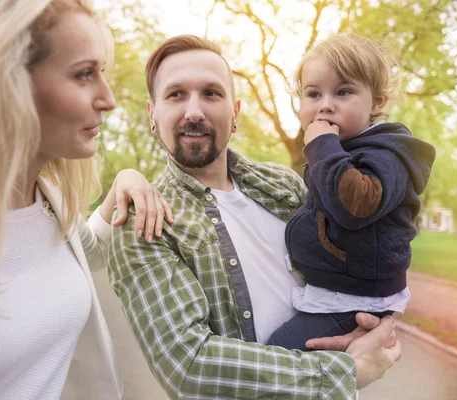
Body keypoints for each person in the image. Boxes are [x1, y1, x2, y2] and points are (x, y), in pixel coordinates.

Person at [0, 1, 172, 399]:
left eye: (104, 73)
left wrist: (125, 184)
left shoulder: (51, 201)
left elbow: (89, 252)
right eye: (84, 75)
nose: (108, 99)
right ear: (8, 82)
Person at [109, 34, 401, 399]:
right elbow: (190, 364)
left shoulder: (284, 184)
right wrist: (346, 371)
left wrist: (373, 328)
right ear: (153, 114)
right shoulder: (146, 220)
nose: (194, 111)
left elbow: (355, 259)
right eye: (176, 94)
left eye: (211, 93)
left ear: (236, 112)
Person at [266, 33, 436, 351]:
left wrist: (321, 146)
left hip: (355, 298)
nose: (325, 105)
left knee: (278, 353)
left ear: (378, 102)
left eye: (343, 91)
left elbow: (355, 206)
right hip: (338, 289)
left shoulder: (389, 153)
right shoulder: (342, 152)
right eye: (313, 94)